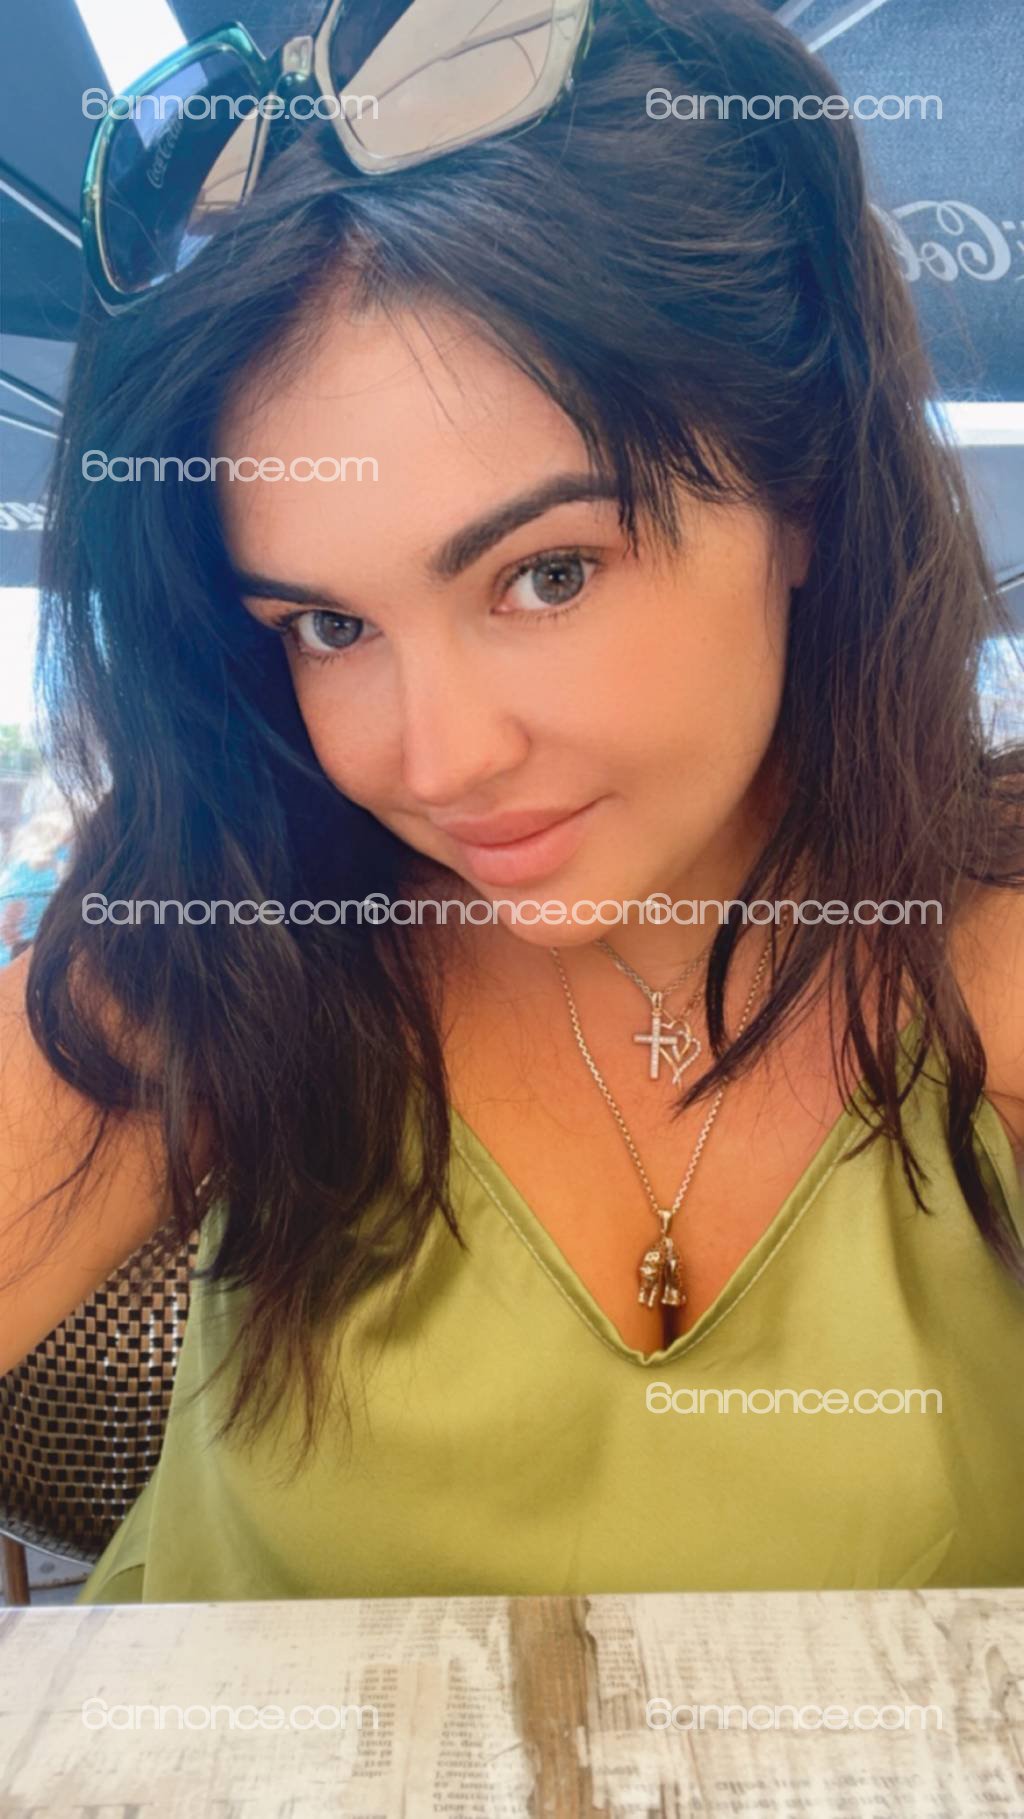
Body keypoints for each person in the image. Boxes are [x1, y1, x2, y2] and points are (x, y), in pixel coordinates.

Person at [1, 0, 1022, 1604]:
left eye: (547, 574)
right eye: (327, 626)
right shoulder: (226, 934)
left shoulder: (986, 960)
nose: (438, 760)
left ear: (806, 489)